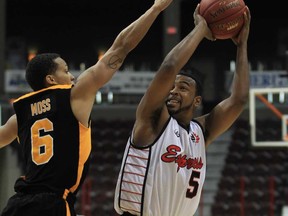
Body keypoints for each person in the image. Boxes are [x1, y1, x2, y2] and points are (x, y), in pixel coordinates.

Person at [0, 0, 173, 215]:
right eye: (65, 70)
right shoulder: (74, 95)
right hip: (51, 205)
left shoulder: (20, 117)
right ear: (51, 79)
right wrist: (155, 8)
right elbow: (121, 47)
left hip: (17, 205)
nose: (72, 75)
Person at [114, 4, 251, 216]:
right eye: (172, 86)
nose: (173, 91)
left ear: (197, 101)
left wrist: (242, 45)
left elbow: (239, 100)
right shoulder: (152, 119)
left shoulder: (200, 133)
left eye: (183, 87)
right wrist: (201, 29)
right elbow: (169, 67)